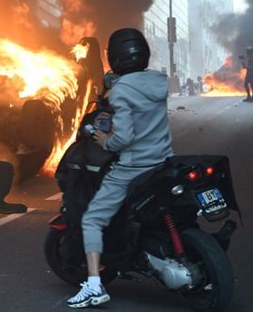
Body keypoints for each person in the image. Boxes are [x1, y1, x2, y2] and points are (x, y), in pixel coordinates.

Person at [66, 28, 174, 309]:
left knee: (92, 220)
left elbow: (123, 138)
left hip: (132, 167)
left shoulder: (123, 90)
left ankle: (93, 285)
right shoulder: (159, 81)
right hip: (162, 162)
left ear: (114, 57)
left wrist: (105, 140)